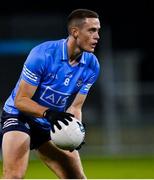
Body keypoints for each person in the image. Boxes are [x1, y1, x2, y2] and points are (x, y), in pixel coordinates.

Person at [0, 8, 101, 179]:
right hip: (19, 116)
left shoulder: (92, 65)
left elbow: (76, 107)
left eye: (98, 31)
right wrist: (49, 113)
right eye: (92, 30)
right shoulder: (43, 54)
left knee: (77, 177)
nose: (97, 36)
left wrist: (75, 131)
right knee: (14, 175)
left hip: (49, 122)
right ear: (75, 32)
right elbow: (21, 100)